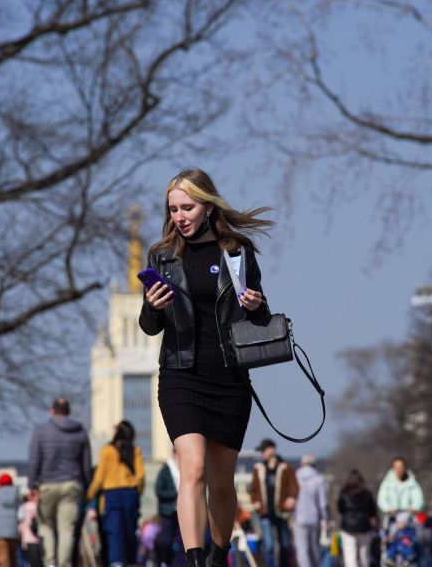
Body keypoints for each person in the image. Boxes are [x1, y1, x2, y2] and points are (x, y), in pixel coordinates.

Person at [138, 168, 275, 567]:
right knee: (192, 468)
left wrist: (256, 305)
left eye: (188, 207)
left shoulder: (237, 252)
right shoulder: (162, 256)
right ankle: (195, 559)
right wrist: (152, 306)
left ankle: (219, 554)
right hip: (181, 374)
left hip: (229, 378)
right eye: (173, 209)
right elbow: (149, 327)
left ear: (207, 206)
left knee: (220, 483)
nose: (180, 216)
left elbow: (261, 315)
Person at [27, 397, 92, 567]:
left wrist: (32, 485)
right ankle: (64, 563)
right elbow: (86, 464)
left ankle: (49, 562)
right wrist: (87, 487)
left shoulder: (41, 432)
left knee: (46, 525)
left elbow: (35, 460)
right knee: (67, 528)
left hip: (47, 485)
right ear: (69, 412)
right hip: (72, 485)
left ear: (52, 411)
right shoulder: (80, 432)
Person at [87, 420, 145, 567]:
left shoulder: (107, 450)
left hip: (111, 495)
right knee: (130, 532)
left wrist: (89, 495)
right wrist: (138, 492)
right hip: (130, 494)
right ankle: (131, 562)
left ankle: (116, 563)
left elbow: (99, 477)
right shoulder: (135, 450)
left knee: (115, 533)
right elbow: (141, 476)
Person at [250, 439, 299, 567]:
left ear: (271, 449)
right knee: (268, 545)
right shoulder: (259, 468)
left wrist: (291, 498)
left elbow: (294, 486)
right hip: (265, 512)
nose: (261, 454)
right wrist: (255, 502)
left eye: (263, 450)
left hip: (281, 512)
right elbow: (253, 490)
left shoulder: (286, 467)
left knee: (285, 544)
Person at [294, 454, 329, 567]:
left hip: (299, 517)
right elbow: (323, 502)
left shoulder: (296, 477)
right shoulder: (318, 479)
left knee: (302, 549)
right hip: (314, 518)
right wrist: (325, 517)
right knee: (314, 549)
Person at [337, 469, 377, 567]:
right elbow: (372, 509)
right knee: (364, 555)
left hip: (348, 527)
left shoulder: (344, 492)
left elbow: (340, 508)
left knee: (350, 555)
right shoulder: (367, 493)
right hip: (364, 527)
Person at [155, 448, 184, 567]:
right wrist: (174, 494)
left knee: (182, 542)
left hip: (183, 512)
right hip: (168, 512)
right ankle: (164, 561)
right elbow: (158, 490)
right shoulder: (166, 470)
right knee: (165, 540)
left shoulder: (186, 468)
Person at [0, 473, 21, 567]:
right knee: (13, 555)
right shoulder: (16, 497)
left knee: (3, 555)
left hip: (0, 532)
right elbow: (21, 514)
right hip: (14, 532)